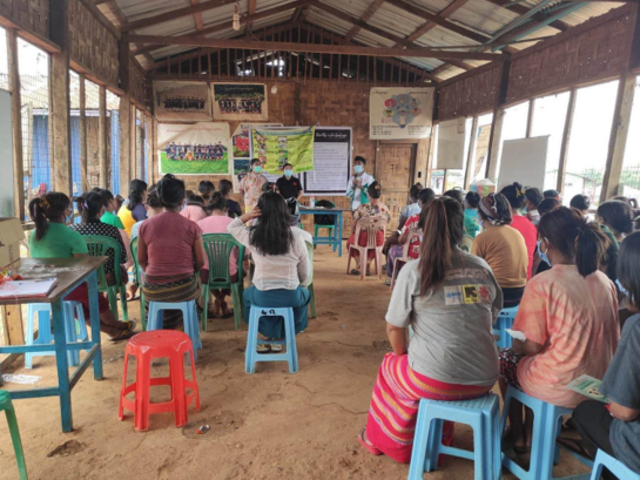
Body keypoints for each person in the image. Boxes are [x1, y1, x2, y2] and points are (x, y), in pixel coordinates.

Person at [357, 197, 502, 463]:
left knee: (390, 365)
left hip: (437, 380)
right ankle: (440, 435)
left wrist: (403, 354)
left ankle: (384, 440)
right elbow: (490, 316)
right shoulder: (481, 268)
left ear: (421, 229)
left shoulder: (414, 271)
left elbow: (394, 328)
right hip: (484, 376)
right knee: (422, 368)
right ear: (462, 230)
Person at [498, 207, 619, 455]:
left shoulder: (544, 283)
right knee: (536, 364)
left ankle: (520, 433)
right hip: (600, 383)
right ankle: (533, 432)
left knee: (506, 360)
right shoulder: (604, 281)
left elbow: (532, 346)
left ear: (545, 243)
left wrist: (516, 345)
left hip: (560, 383)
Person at [570, 232, 640, 477]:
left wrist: (611, 405)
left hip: (637, 446)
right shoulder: (605, 284)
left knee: (587, 413)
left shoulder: (637, 327)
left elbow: (626, 410)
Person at [28, 192, 135, 341]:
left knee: (81, 306)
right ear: (65, 211)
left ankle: (113, 331)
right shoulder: (70, 234)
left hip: (41, 287)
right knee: (95, 299)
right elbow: (83, 267)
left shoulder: (34, 234)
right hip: (64, 285)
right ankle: (116, 325)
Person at [228, 192, 310, 341]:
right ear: (285, 212)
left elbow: (232, 227)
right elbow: (305, 273)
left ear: (259, 213)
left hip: (263, 295)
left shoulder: (253, 236)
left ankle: (267, 331)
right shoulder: (296, 237)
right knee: (305, 295)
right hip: (291, 295)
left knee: (247, 296)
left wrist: (248, 216)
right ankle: (289, 331)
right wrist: (301, 285)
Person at [138, 175, 205, 329]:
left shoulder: (145, 226)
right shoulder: (191, 226)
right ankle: (187, 326)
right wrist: (189, 272)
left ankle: (160, 329)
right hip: (183, 288)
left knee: (155, 293)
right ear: (182, 201)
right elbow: (201, 261)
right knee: (197, 284)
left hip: (153, 289)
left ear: (159, 199)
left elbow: (141, 260)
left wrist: (155, 273)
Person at [472, 193, 528, 307]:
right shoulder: (516, 233)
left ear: (481, 216)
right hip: (519, 294)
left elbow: (473, 272)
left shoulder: (482, 238)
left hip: (497, 295)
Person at [70, 191, 129, 294]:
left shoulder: (71, 230)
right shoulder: (112, 230)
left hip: (80, 278)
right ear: (101, 211)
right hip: (108, 278)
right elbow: (123, 257)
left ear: (80, 210)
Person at [198, 192, 237, 319]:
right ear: (226, 209)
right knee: (240, 270)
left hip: (207, 274)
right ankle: (222, 301)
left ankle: (218, 301)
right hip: (230, 274)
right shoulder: (235, 223)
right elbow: (245, 253)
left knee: (204, 269)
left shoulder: (199, 224)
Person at [386, 188, 436, 282]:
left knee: (393, 250)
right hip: (431, 254)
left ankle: (394, 278)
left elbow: (401, 239)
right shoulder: (437, 220)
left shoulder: (413, 218)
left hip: (412, 254)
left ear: (420, 202)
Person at [346, 182, 391, 276]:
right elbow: (387, 223)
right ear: (380, 194)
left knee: (350, 242)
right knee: (374, 243)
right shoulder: (385, 209)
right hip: (378, 239)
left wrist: (353, 234)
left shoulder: (362, 207)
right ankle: (368, 260)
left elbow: (354, 224)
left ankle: (359, 262)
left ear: (369, 195)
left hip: (362, 239)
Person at [500, 183, 537, 280]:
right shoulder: (531, 225)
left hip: (503, 281)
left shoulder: (503, 224)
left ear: (502, 202)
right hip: (525, 280)